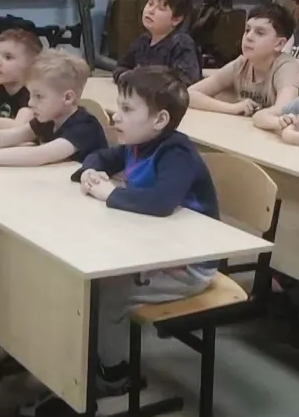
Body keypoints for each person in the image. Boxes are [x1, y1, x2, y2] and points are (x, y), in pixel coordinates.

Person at [74, 68, 222, 395]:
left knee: (109, 291)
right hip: (155, 249)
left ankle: (115, 375)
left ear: (159, 120)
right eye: (118, 106)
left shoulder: (176, 153)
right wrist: (90, 171)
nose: (116, 116)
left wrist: (109, 194)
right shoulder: (136, 143)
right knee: (83, 277)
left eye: (127, 109)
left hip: (188, 265)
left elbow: (160, 202)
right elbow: (100, 155)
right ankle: (84, 357)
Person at [191, 5, 299, 115]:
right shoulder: (241, 63)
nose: (249, 36)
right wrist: (232, 108)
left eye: (260, 33)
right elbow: (189, 94)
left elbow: (285, 109)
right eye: (247, 30)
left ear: (279, 44)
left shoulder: (287, 68)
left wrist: (259, 116)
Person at [116, 0, 202, 83]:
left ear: (176, 19)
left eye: (161, 8)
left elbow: (187, 79)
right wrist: (128, 78)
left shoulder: (181, 43)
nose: (151, 11)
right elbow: (121, 68)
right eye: (150, 4)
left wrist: (144, 81)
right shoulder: (143, 41)